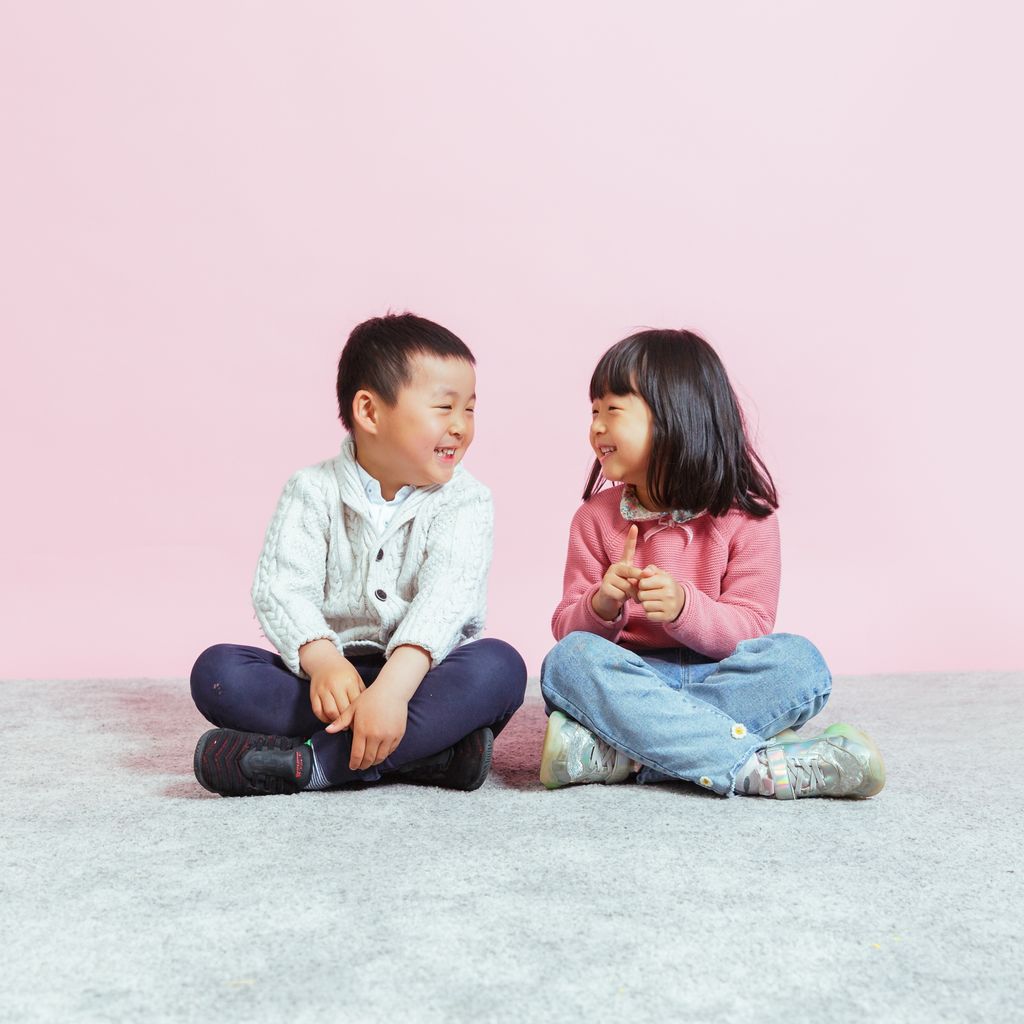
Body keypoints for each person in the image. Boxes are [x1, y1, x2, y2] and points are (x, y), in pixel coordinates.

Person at [539, 328, 885, 800]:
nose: (596, 426)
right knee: (568, 663)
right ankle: (754, 767)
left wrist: (685, 608)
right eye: (593, 411)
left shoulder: (747, 518)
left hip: (718, 676)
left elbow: (753, 625)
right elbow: (567, 627)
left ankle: (628, 753)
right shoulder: (594, 519)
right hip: (635, 679)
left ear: (676, 417)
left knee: (801, 663)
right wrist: (601, 605)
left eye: (613, 410)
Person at [190, 313, 527, 797]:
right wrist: (323, 660)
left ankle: (309, 765)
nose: (460, 427)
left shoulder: (467, 500)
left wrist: (391, 692)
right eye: (444, 407)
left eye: (470, 410)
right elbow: (282, 589)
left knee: (500, 668)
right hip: (328, 682)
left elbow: (446, 600)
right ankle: (433, 756)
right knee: (217, 672)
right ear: (370, 412)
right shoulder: (311, 489)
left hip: (421, 681)